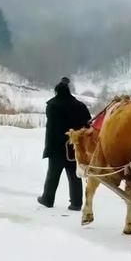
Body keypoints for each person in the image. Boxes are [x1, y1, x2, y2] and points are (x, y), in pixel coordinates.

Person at [37, 77, 91, 211]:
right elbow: (88, 123)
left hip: (56, 148)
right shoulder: (80, 106)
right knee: (74, 176)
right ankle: (76, 203)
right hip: (73, 146)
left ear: (57, 92)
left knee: (53, 175)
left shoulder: (52, 106)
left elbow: (52, 127)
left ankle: (47, 199)